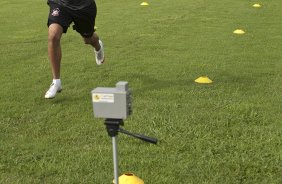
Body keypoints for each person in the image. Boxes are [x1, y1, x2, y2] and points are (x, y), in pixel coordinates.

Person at [45, 0, 105, 99]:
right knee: (53, 35)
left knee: (88, 39)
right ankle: (56, 82)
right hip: (60, 3)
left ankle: (98, 46)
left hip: (84, 5)